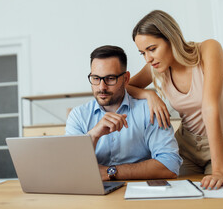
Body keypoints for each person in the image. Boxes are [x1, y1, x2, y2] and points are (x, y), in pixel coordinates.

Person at [127, 10, 223, 190]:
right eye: (142, 53)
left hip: (221, 148)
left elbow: (209, 107)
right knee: (180, 198)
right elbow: (124, 88)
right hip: (185, 147)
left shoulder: (208, 50)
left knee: (220, 198)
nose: (148, 58)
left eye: (152, 49)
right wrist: (149, 94)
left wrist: (219, 171)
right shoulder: (156, 67)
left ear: (171, 38)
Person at [65, 45, 182, 181]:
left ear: (126, 79)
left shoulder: (149, 110)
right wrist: (93, 135)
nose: (102, 87)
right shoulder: (78, 115)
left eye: (110, 78)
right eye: (96, 78)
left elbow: (170, 165)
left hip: (140, 193)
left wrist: (110, 172)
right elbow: (69, 168)